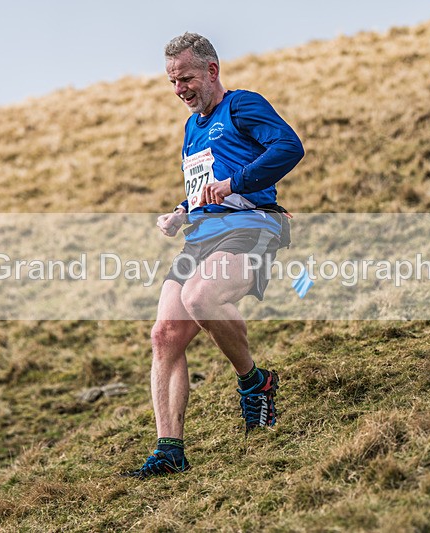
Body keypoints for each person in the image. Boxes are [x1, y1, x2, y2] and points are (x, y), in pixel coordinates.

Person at [122, 32, 304, 478]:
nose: (180, 89)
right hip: (201, 235)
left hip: (252, 226)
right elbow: (204, 188)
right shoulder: (190, 129)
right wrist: (180, 213)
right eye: (172, 82)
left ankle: (253, 382)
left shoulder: (242, 105)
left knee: (202, 297)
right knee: (164, 334)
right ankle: (170, 450)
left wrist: (236, 182)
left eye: (186, 78)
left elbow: (289, 147)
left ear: (212, 71)